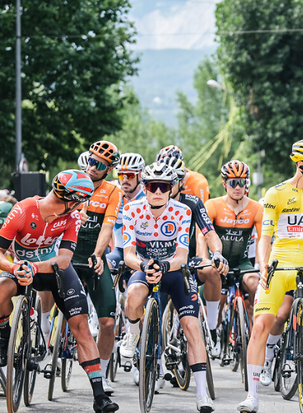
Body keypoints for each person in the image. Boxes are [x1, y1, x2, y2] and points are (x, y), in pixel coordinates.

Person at [0, 170, 119, 412]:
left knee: (81, 326)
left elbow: (65, 259)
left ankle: (100, 396)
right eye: (81, 200)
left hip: (54, 270)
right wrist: (14, 267)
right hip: (21, 268)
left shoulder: (72, 218)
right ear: (70, 199)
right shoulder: (23, 209)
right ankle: (5, 336)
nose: (82, 206)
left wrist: (34, 266)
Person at [237, 138, 303, 413]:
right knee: (260, 325)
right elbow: (265, 237)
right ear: (302, 166)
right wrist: (263, 265)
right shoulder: (275, 193)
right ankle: (252, 396)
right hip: (279, 264)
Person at [121, 162, 214, 412]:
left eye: (164, 187)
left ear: (172, 188)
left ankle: (202, 394)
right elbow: (128, 253)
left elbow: (182, 256)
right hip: (144, 266)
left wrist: (164, 266)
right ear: (145, 187)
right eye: (153, 186)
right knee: (133, 294)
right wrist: (144, 264)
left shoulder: (182, 211)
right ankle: (132, 334)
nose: (158, 192)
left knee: (191, 327)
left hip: (173, 271)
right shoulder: (131, 209)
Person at [158, 155, 229, 357]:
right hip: (158, 263)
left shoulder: (193, 202)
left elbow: (209, 232)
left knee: (212, 270)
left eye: (173, 180)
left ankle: (212, 327)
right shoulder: (149, 203)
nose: (167, 186)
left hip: (186, 262)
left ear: (181, 182)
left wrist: (217, 253)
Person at [72, 141, 123, 393]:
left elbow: (107, 226)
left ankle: (101, 375)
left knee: (108, 323)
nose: (93, 167)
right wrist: (73, 213)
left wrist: (97, 254)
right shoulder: (71, 180)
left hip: (93, 256)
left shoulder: (113, 191)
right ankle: (46, 327)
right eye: (91, 161)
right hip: (68, 253)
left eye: (100, 165)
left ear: (109, 169)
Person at [204, 160, 263, 353]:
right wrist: (205, 261)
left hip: (243, 263)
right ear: (224, 183)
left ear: (247, 183)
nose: (238, 187)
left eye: (242, 182)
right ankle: (213, 334)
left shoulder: (256, 208)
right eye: (233, 182)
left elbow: (262, 241)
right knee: (218, 303)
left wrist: (263, 267)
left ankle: (256, 338)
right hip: (220, 263)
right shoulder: (212, 205)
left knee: (255, 284)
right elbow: (203, 237)